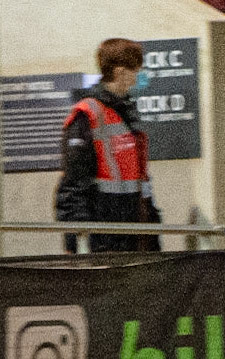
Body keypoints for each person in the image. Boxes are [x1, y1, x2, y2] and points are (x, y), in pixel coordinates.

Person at [55, 37, 161, 253]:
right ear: (120, 72)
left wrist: (151, 228)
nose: (137, 77)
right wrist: (78, 241)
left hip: (133, 231)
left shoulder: (126, 112)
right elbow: (74, 184)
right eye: (135, 70)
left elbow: (139, 179)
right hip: (103, 236)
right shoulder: (87, 116)